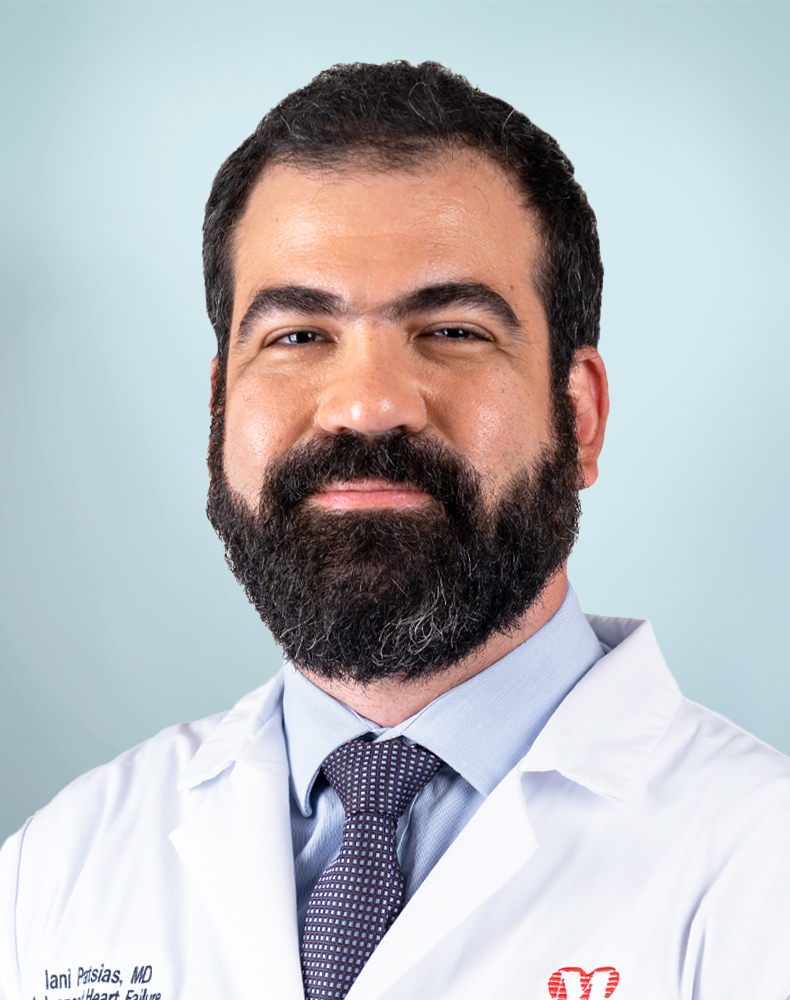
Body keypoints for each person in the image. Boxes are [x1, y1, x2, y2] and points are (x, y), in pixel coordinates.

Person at [1, 60, 788, 1000]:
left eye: (452, 331)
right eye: (298, 336)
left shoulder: (759, 865)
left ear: (579, 416)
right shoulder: (57, 871)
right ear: (219, 408)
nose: (367, 406)